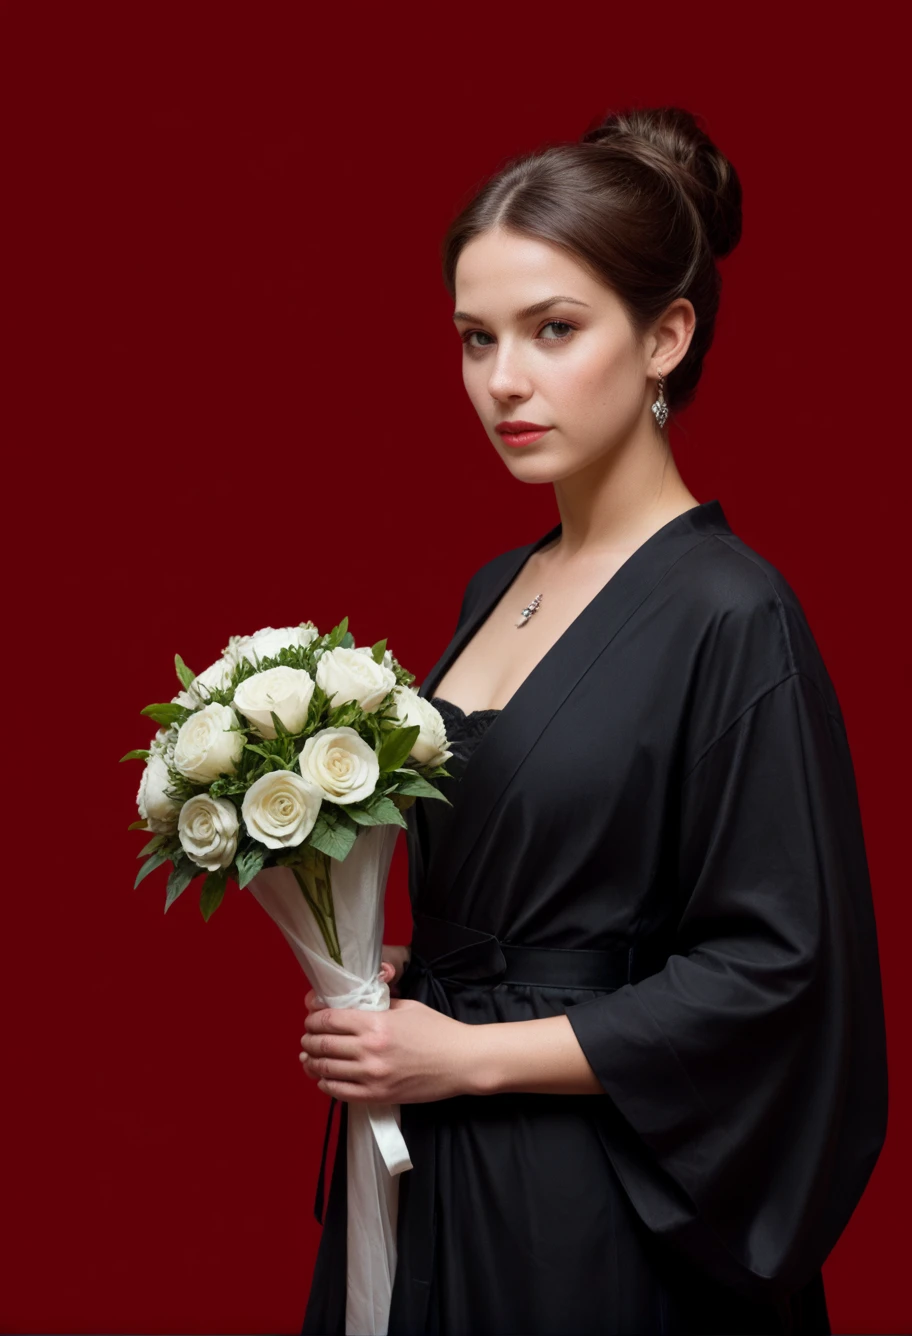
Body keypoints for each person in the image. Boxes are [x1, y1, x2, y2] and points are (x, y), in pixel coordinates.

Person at [297, 105, 888, 1335]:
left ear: (666, 334)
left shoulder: (734, 615)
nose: (503, 379)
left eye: (553, 330)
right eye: (475, 337)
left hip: (592, 1204)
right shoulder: (492, 587)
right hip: (437, 1159)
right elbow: (537, 892)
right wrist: (397, 971)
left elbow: (774, 971)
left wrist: (471, 1055)